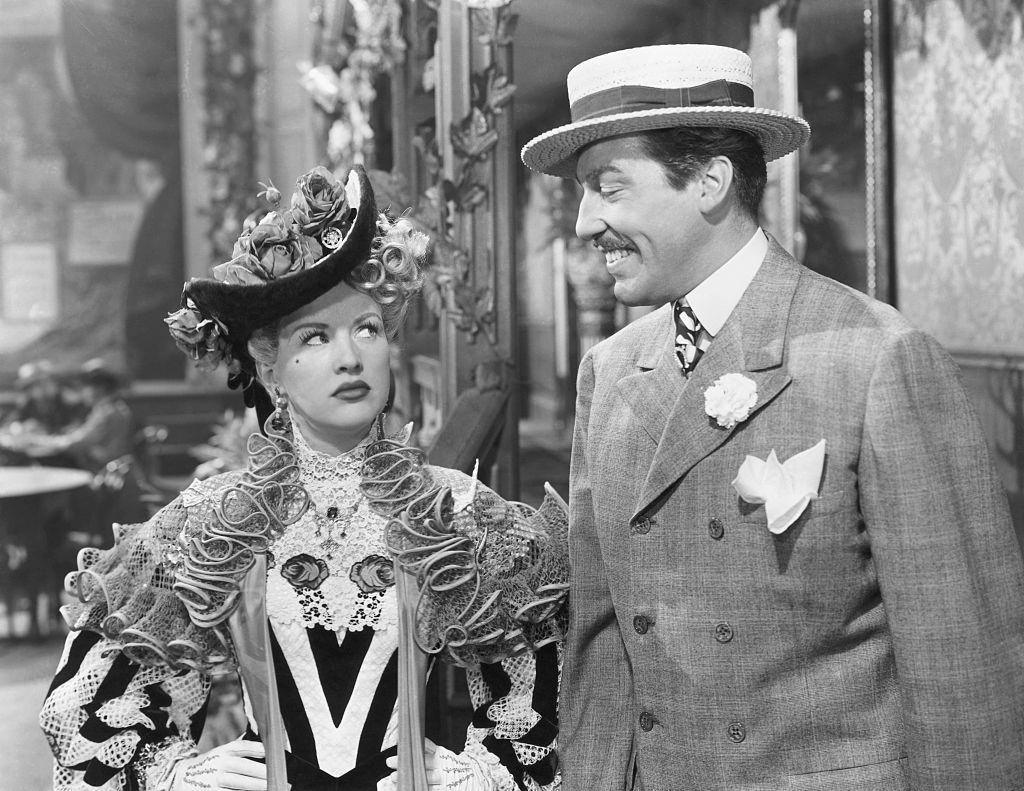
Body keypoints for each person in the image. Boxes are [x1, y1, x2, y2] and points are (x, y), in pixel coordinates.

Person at [521, 44, 1024, 791]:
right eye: (582, 197)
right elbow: (601, 648)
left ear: (710, 181)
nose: (587, 224)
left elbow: (964, 673)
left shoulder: (877, 359)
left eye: (608, 188)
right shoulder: (612, 370)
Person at [40, 165, 566, 791]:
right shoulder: (218, 517)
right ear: (270, 373)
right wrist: (178, 775)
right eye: (314, 338)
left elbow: (545, 699)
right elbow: (93, 710)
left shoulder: (454, 509)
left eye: (367, 328)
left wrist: (483, 775)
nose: (351, 357)